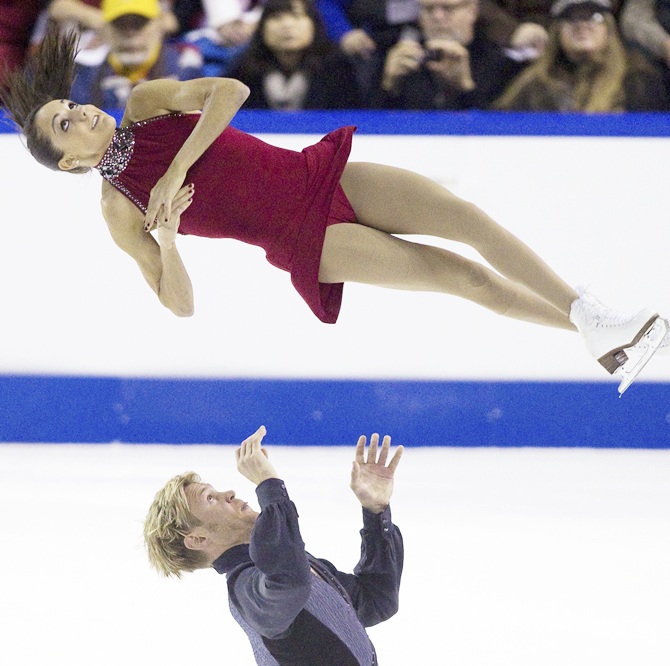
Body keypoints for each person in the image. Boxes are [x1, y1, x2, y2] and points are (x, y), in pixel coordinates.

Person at [1, 25, 667, 394]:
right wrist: (170, 241)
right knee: (467, 280)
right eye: (65, 124)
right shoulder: (121, 210)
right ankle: (595, 338)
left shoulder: (145, 104)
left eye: (69, 105)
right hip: (305, 237)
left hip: (320, 173)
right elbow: (178, 305)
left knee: (469, 219)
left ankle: (594, 322)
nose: (80, 110)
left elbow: (229, 90)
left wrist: (177, 167)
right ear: (70, 161)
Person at [143, 426, 404, 665]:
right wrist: (268, 484)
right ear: (198, 539)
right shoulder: (247, 590)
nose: (229, 494)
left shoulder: (291, 565)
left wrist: (375, 511)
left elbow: (376, 600)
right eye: (211, 499)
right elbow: (289, 582)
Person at [494, 0, 669, 111]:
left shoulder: (640, 81)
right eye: (571, 17)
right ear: (557, 31)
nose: (583, 25)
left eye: (594, 16)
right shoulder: (533, 86)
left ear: (609, 30)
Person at [369, 0, 526, 110]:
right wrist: (388, 86)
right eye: (429, 9)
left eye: (448, 8)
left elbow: (505, 131)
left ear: (472, 10)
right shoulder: (397, 60)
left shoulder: (502, 64)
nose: (438, 17)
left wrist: (466, 88)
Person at [227, 0, 363, 109]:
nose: (287, 25)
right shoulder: (244, 68)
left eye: (297, 16)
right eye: (276, 17)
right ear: (262, 27)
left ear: (314, 24)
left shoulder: (338, 67)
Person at [69, 0, 202, 110]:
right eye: (120, 24)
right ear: (105, 30)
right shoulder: (83, 81)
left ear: (160, 24)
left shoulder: (186, 68)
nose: (130, 34)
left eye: (139, 23)